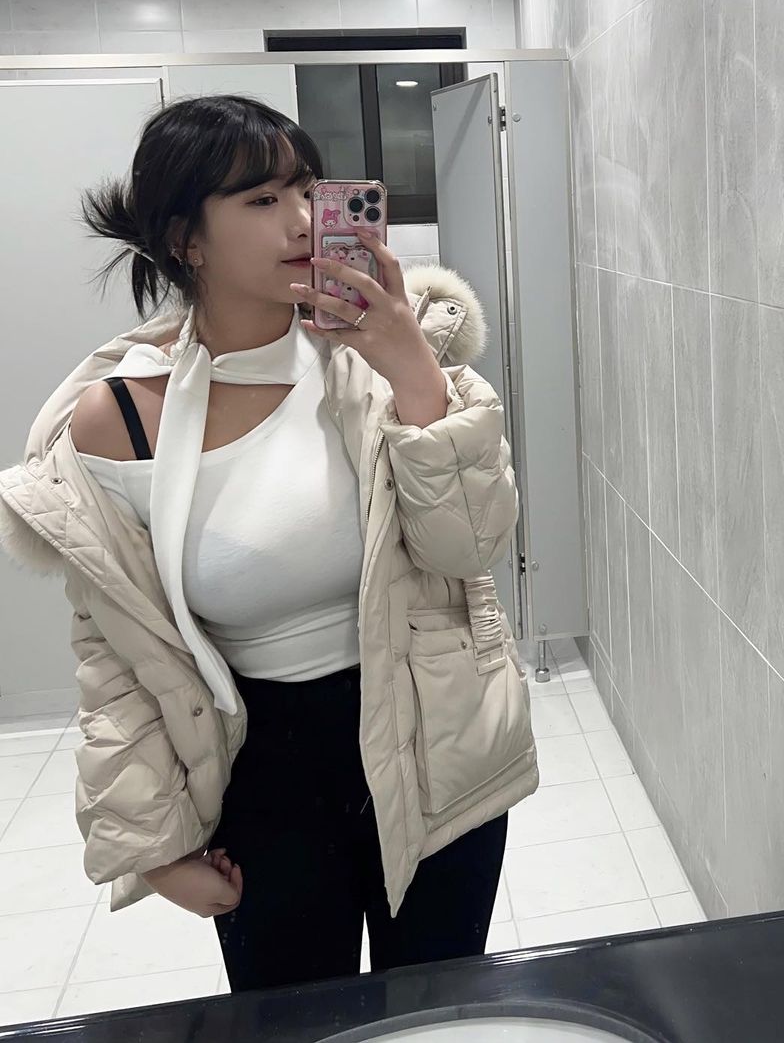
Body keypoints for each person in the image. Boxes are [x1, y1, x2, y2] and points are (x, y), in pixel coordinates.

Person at [0, 95, 538, 993]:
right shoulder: (121, 420)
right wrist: (151, 844)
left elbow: (467, 547)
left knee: (437, 1013)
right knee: (293, 1019)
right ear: (186, 239)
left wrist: (413, 370)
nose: (299, 219)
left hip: (435, 742)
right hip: (260, 773)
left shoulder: (377, 361)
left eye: (305, 188)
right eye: (260, 199)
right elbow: (118, 652)